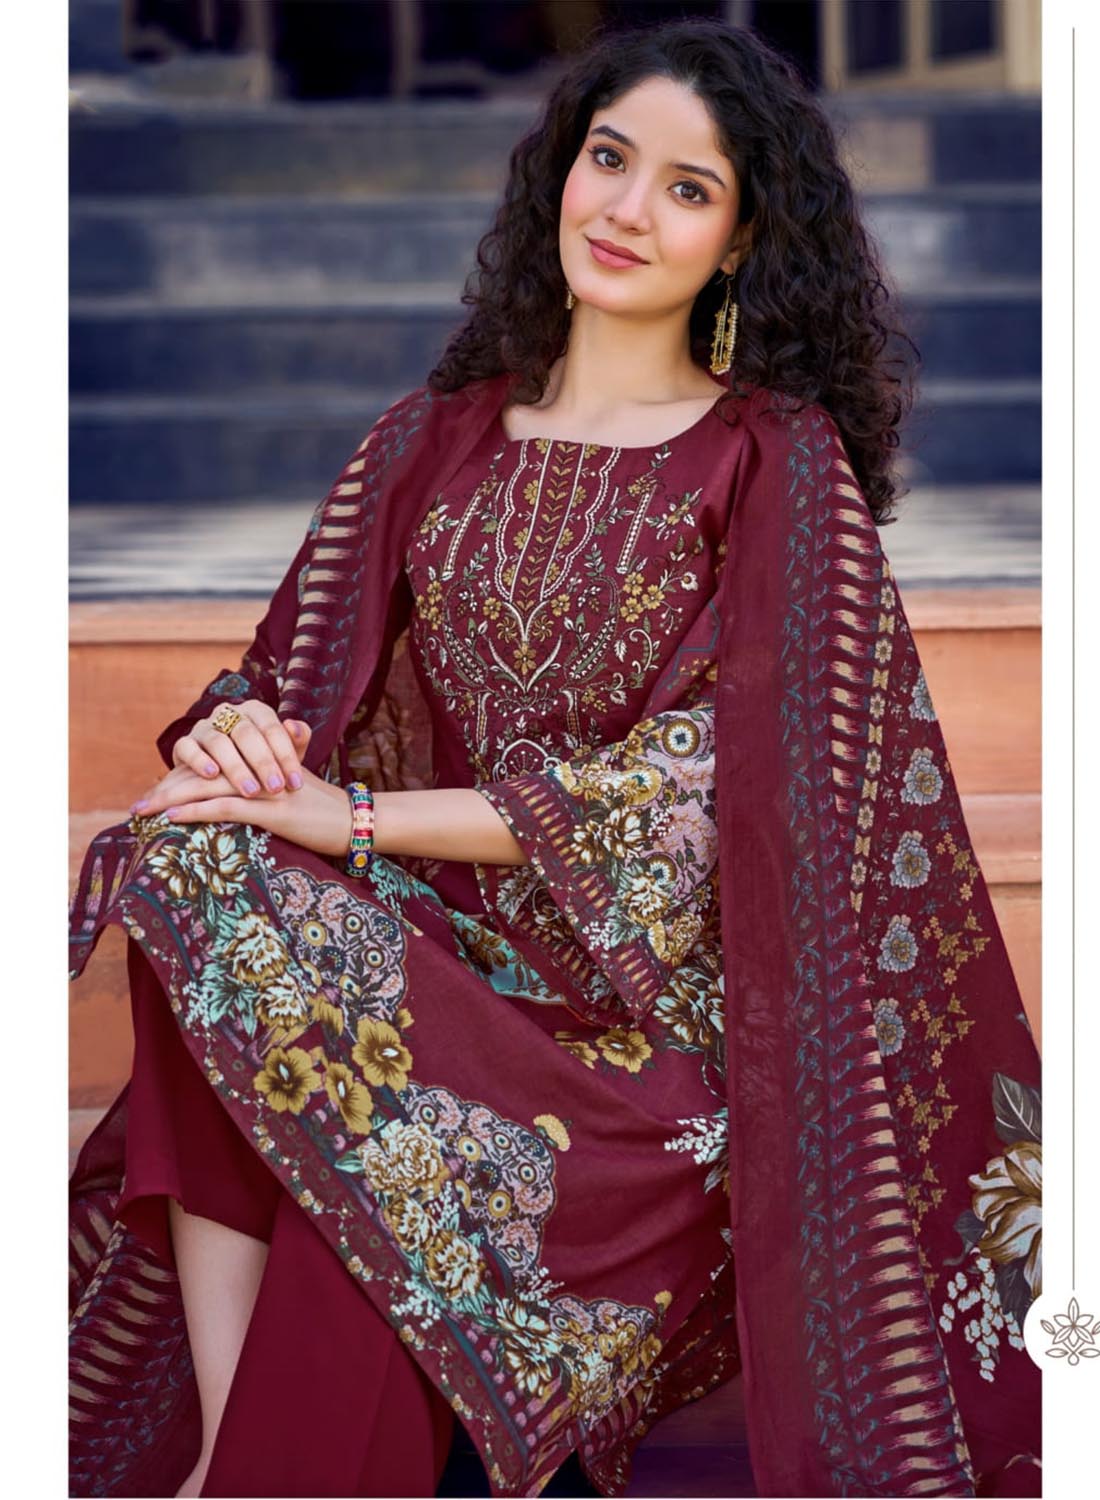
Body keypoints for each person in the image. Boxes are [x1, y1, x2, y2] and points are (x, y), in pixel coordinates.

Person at [68, 15, 1042, 1499]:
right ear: (559, 174)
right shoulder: (430, 439)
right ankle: (223, 1440)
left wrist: (355, 818)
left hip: (642, 1032)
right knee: (193, 846)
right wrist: (246, 738)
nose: (629, 208)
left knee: (372, 1166)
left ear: (742, 241)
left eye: (688, 188)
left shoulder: (772, 462)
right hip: (429, 967)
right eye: (609, 158)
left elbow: (705, 791)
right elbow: (282, 682)